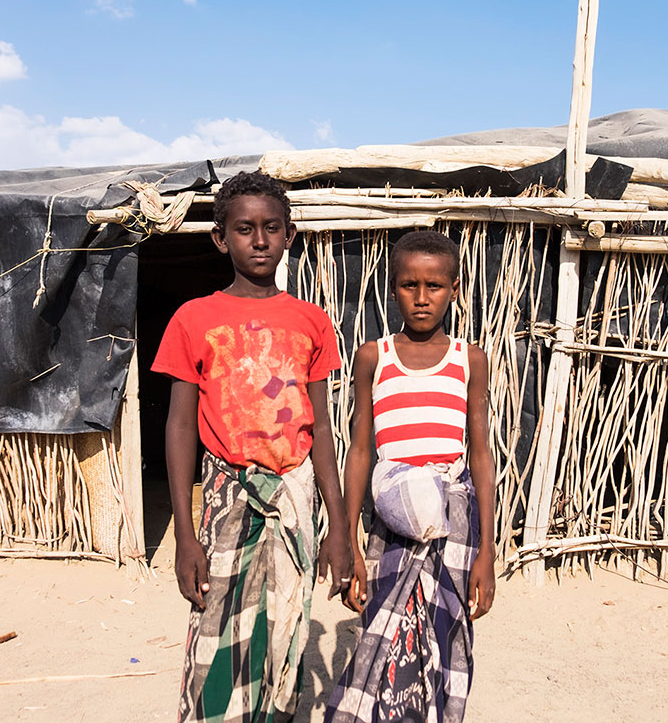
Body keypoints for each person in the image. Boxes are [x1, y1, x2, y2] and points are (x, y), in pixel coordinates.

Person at [152, 170, 354, 723]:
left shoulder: (311, 321)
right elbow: (179, 427)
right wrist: (184, 537)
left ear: (289, 235)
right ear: (221, 238)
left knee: (287, 631)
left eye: (271, 228)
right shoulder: (194, 319)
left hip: (295, 497)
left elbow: (322, 430)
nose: (259, 240)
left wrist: (338, 529)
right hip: (226, 498)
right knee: (214, 632)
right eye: (245, 229)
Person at [325, 230, 495, 723]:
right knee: (384, 633)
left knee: (445, 635)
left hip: (454, 526)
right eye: (409, 285)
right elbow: (360, 450)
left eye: (435, 286)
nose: (422, 298)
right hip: (389, 523)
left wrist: (487, 551)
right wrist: (351, 541)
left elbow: (480, 455)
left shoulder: (470, 359)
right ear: (392, 286)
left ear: (456, 288)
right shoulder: (374, 356)